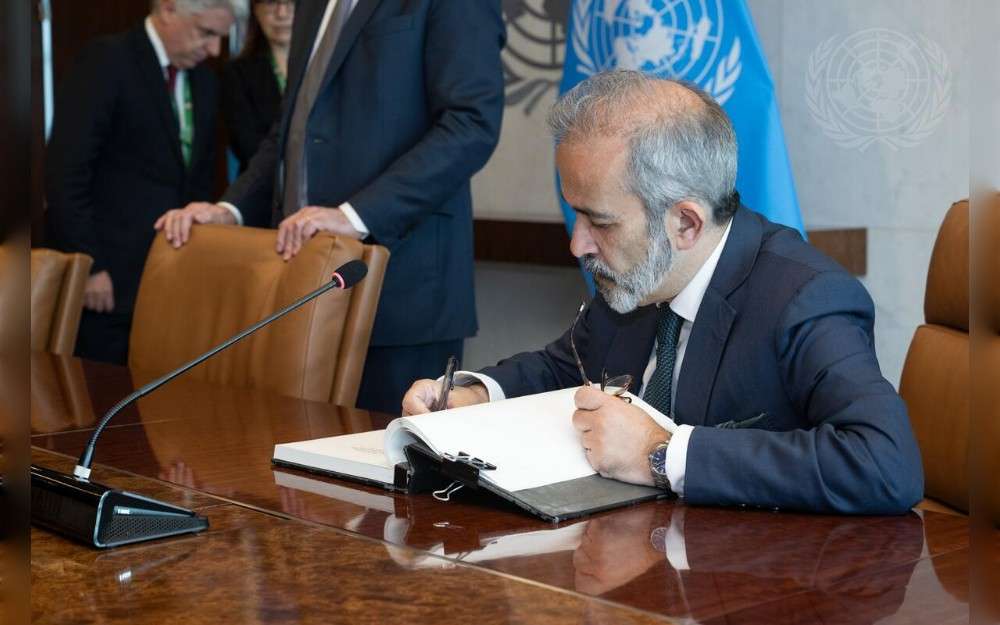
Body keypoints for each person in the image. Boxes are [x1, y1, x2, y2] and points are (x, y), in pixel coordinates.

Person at [402, 70, 924, 515]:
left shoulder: (804, 298)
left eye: (600, 222)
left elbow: (884, 463)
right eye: (575, 214)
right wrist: (473, 396)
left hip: (753, 578)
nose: (577, 244)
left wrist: (660, 453)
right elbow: (562, 368)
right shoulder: (637, 277)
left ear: (686, 224)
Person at [155, 0, 506, 414]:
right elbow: (292, 130)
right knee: (288, 445)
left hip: (401, 291)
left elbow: (471, 125)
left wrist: (356, 215)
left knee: (386, 451)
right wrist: (231, 209)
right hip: (300, 287)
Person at [45, 0, 243, 365]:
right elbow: (65, 173)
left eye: (221, 36)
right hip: (106, 282)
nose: (215, 49)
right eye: (206, 33)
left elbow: (198, 181)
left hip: (171, 278)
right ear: (168, 9)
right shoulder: (107, 61)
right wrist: (90, 266)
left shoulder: (204, 81)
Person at [221, 0, 294, 173]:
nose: (282, 13)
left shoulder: (322, 67)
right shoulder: (237, 73)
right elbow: (246, 146)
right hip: (261, 181)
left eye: (291, 2)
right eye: (271, 3)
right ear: (255, 10)